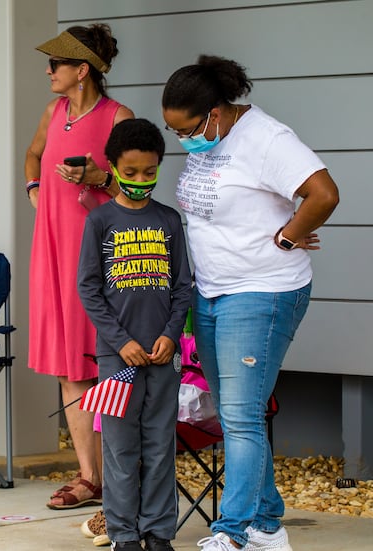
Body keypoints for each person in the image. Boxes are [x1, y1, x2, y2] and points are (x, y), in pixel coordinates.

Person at [161, 55, 340, 551]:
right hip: (213, 291)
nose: (184, 140)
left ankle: (233, 532)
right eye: (174, 131)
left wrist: (286, 237)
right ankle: (267, 525)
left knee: (240, 417)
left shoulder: (268, 139)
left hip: (262, 292)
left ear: (215, 111)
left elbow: (323, 194)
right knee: (237, 412)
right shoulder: (212, 140)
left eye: (189, 128)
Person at [25, 23, 134, 510]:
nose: (48, 71)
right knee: (69, 362)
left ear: (81, 69)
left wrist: (96, 176)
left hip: (96, 250)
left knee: (101, 358)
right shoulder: (54, 110)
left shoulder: (118, 117)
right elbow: (32, 154)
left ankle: (118, 471)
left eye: (56, 64)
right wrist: (34, 187)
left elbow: (137, 192)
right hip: (51, 245)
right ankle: (89, 476)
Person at [77, 118, 193, 551]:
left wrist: (170, 334)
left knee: (160, 446)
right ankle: (123, 534)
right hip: (116, 359)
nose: (141, 181)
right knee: (121, 450)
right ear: (113, 166)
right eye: (131, 172)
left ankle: (159, 532)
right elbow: (88, 288)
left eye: (150, 172)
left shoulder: (168, 221)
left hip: (164, 357)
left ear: (159, 167)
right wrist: (120, 341)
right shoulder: (100, 221)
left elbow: (183, 286)